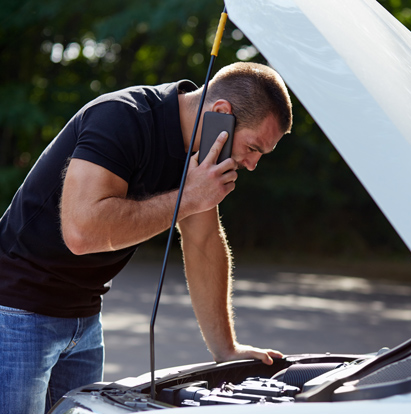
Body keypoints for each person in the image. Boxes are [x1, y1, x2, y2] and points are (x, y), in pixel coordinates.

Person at [0, 61, 293, 413]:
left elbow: (203, 242)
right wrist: (187, 198)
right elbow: (81, 233)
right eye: (254, 148)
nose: (252, 164)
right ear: (221, 113)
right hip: (17, 311)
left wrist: (225, 349)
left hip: (85, 318)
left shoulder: (201, 156)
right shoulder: (121, 117)